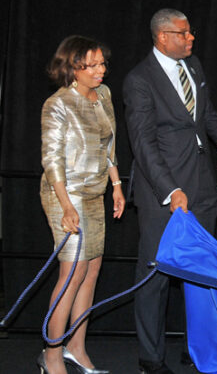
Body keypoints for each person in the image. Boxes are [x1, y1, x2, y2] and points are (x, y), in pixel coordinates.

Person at [123, 8, 217, 374]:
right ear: (162, 37)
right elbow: (143, 145)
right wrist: (169, 190)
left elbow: (206, 114)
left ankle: (198, 345)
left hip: (203, 187)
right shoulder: (139, 80)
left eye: (191, 32)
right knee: (155, 275)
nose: (191, 38)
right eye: (184, 33)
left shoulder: (194, 66)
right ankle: (151, 358)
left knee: (202, 273)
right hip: (165, 192)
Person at [39, 35, 125, 374]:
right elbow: (52, 160)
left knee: (91, 271)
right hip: (65, 194)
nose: (101, 70)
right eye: (92, 65)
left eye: (102, 63)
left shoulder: (103, 95)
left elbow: (110, 145)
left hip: (95, 192)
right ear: (73, 68)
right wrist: (67, 206)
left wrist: (116, 186)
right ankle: (51, 355)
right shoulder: (58, 103)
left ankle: (76, 348)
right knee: (71, 274)